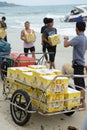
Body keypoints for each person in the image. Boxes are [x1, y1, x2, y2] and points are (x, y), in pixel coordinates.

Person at [64, 21, 87, 107]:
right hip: (81, 63)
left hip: (77, 64)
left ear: (76, 28)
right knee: (81, 84)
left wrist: (65, 39)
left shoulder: (78, 38)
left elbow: (65, 45)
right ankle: (83, 103)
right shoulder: (85, 38)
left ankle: (83, 104)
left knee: (78, 86)